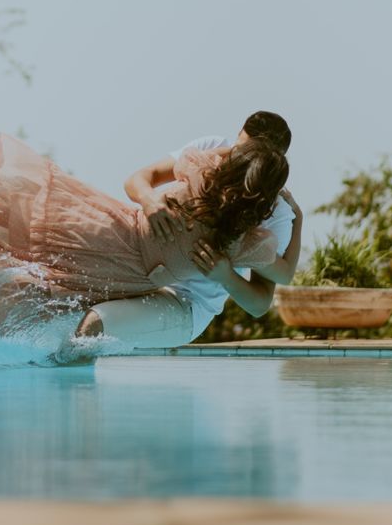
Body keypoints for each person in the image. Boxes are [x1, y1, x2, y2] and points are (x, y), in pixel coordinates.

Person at [0, 111, 300, 363]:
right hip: (121, 248)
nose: (230, 154)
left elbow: (269, 289)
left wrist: (291, 225)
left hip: (138, 265)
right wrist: (152, 203)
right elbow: (138, 181)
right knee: (9, 224)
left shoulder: (239, 208)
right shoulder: (212, 174)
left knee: (11, 255)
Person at [57, 111, 302, 357]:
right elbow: (139, 179)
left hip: (186, 304)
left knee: (94, 324)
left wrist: (226, 276)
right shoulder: (211, 150)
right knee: (54, 293)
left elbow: (260, 304)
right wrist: (148, 199)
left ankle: (71, 392)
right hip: (137, 268)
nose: (236, 159)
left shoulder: (275, 211)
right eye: (238, 147)